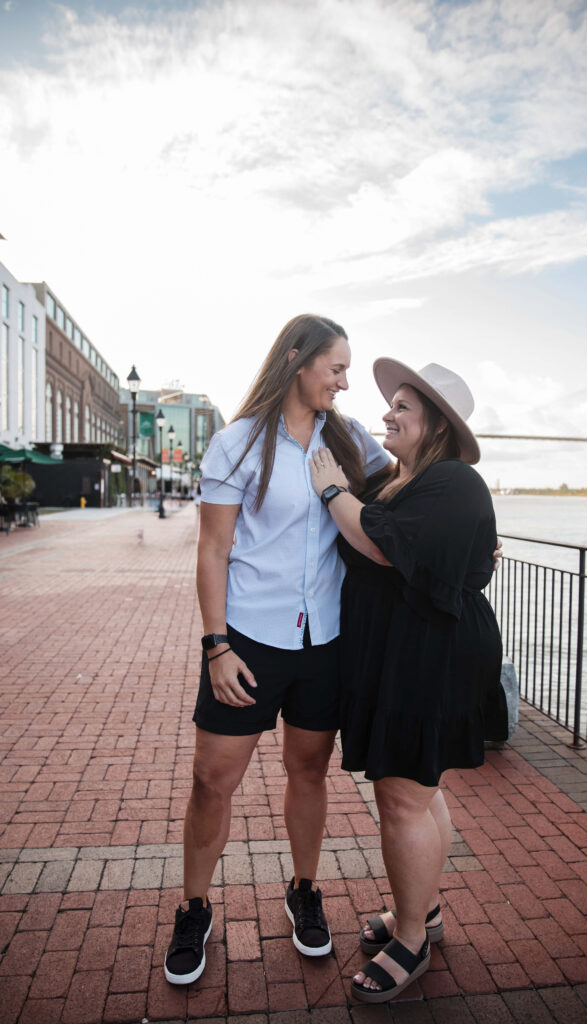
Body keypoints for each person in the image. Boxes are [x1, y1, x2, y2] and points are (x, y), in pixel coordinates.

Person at [163, 314, 392, 985]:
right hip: (250, 642)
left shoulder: (348, 441)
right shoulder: (237, 443)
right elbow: (213, 550)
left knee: (310, 773)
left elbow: (402, 488)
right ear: (297, 360)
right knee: (212, 781)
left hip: (325, 641)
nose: (345, 383)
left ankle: (303, 890)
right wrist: (216, 646)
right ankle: (195, 907)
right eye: (337, 368)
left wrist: (462, 531)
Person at [309, 360, 508, 1003]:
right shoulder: (400, 479)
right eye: (389, 404)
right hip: (406, 650)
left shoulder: (452, 480)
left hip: (433, 653)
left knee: (401, 799)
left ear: (438, 426)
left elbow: (380, 546)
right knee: (418, 791)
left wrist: (331, 491)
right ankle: (423, 910)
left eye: (403, 407)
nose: (388, 414)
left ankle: (412, 939)